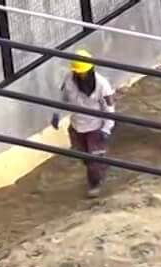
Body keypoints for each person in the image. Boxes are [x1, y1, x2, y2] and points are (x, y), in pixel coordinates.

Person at [51, 51, 116, 198]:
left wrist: (106, 129)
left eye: (83, 73)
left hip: (96, 127)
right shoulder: (69, 80)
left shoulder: (102, 85)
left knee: (94, 158)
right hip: (77, 126)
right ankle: (102, 166)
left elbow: (109, 108)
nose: (81, 76)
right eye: (78, 73)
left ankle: (95, 184)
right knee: (85, 157)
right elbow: (63, 98)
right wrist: (57, 114)